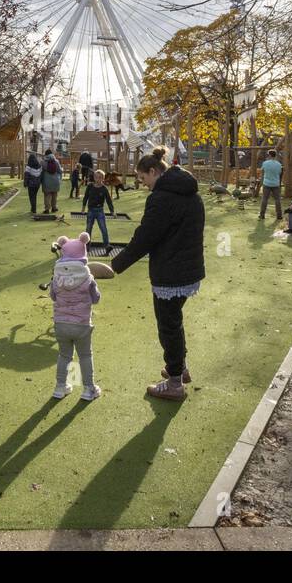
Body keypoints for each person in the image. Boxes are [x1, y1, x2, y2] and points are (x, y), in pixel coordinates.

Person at [110, 146, 205, 401]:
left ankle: (174, 382)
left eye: (143, 179)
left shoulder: (162, 197)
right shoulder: (190, 192)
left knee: (168, 326)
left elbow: (145, 237)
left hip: (171, 272)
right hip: (189, 269)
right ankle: (180, 368)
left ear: (153, 171)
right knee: (174, 321)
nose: (143, 185)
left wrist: (116, 265)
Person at [49, 232, 102, 401]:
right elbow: (96, 299)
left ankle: (60, 387)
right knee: (85, 355)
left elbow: (53, 296)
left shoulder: (56, 276)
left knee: (64, 355)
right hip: (81, 324)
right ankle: (88, 390)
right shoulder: (88, 277)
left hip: (61, 323)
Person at [82, 169, 116, 245]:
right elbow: (86, 197)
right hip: (91, 210)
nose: (98, 179)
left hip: (100, 211)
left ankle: (107, 246)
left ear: (103, 179)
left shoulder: (104, 189)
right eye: (96, 177)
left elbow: (109, 201)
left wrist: (112, 211)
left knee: (103, 229)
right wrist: (83, 208)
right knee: (88, 229)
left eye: (100, 177)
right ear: (94, 178)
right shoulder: (90, 186)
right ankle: (87, 246)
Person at [258, 148, 283, 220]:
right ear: (275, 155)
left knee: (264, 199)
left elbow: (262, 173)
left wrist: (262, 182)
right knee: (277, 199)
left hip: (266, 183)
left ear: (269, 155)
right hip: (276, 184)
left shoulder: (265, 163)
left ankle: (262, 215)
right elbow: (279, 173)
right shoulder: (279, 164)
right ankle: (279, 215)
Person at [40, 149, 62, 213]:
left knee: (47, 195)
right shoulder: (56, 161)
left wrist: (41, 180)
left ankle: (47, 209)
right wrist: (59, 178)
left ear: (46, 155)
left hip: (46, 181)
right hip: (55, 181)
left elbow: (41, 171)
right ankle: (54, 208)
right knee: (54, 195)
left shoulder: (43, 162)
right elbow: (60, 171)